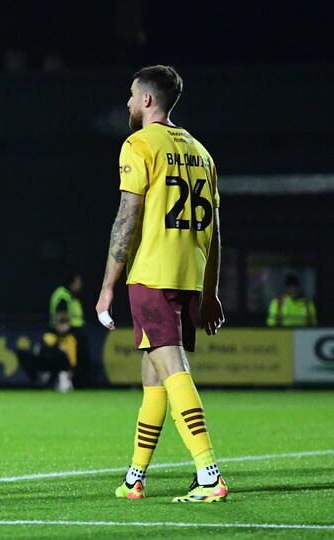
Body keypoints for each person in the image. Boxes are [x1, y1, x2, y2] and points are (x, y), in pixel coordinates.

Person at [95, 65, 228, 503]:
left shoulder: (138, 143)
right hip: (189, 276)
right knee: (153, 375)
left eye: (132, 95)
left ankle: (209, 475)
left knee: (172, 371)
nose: (129, 103)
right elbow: (215, 233)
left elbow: (127, 216)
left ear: (149, 100)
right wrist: (210, 293)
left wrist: (108, 286)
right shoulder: (201, 152)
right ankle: (136, 477)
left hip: (152, 273)